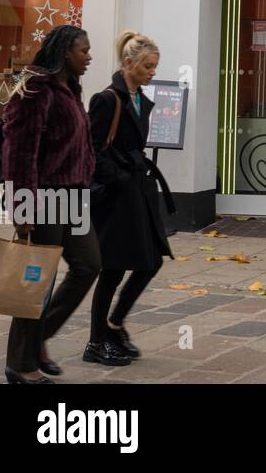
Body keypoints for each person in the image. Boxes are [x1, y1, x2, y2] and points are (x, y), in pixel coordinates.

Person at [0, 25, 100, 384]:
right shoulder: (36, 89)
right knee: (36, 281)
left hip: (72, 195)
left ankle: (38, 338)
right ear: (64, 51)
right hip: (44, 197)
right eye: (83, 50)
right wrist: (22, 207)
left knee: (89, 264)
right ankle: (20, 364)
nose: (89, 57)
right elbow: (19, 152)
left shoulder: (70, 88)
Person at [86, 31, 175, 366]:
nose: (153, 72)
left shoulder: (140, 99)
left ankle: (114, 323)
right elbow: (94, 149)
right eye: (148, 66)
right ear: (128, 64)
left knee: (151, 260)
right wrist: (119, 178)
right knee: (112, 269)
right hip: (118, 195)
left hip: (139, 190)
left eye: (155, 66)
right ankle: (96, 341)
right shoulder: (107, 99)